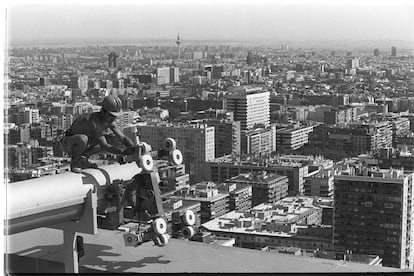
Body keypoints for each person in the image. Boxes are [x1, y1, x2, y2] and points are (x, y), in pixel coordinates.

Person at [62, 95, 135, 172]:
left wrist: (133, 147)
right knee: (83, 139)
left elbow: (122, 137)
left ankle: (83, 160)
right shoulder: (95, 121)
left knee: (111, 139)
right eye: (111, 116)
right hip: (68, 143)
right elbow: (104, 145)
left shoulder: (108, 121)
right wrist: (123, 152)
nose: (113, 118)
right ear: (103, 112)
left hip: (84, 144)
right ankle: (75, 163)